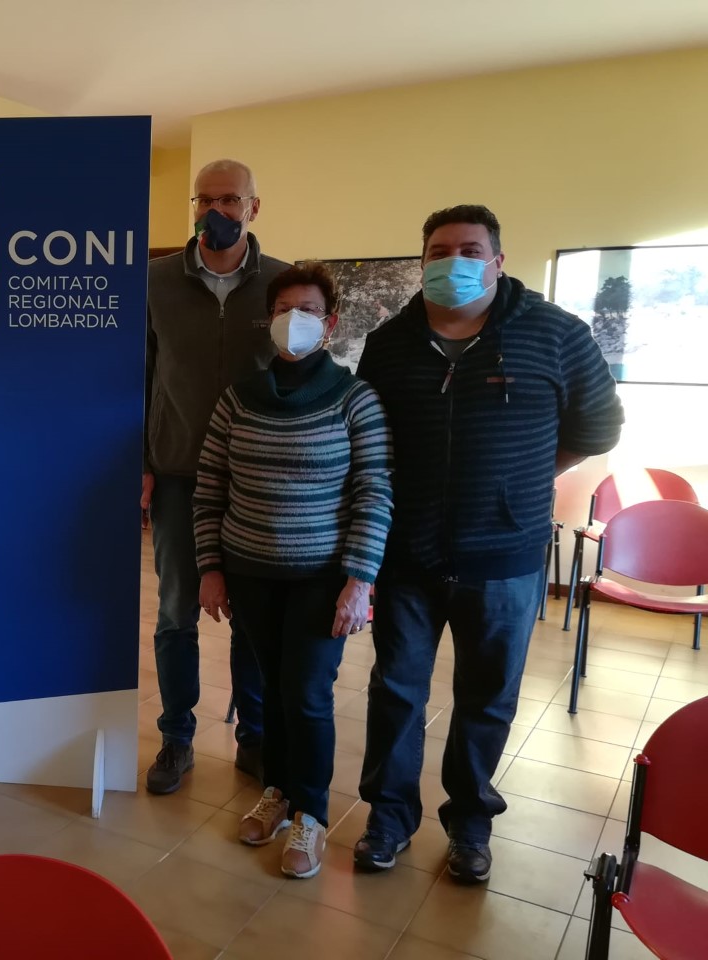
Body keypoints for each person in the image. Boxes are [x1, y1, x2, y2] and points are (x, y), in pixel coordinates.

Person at [354, 205, 624, 882]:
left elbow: (599, 425)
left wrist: (525, 477)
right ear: (423, 261)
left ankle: (470, 825)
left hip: (505, 556)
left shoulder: (556, 334)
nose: (454, 261)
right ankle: (388, 818)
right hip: (408, 553)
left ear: (499, 262)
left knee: (487, 698)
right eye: (439, 251)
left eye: (470, 250)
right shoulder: (389, 343)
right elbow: (369, 436)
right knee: (396, 693)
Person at [194, 263, 392, 878]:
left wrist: (360, 579)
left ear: (329, 324)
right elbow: (210, 486)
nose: (293, 320)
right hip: (250, 572)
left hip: (321, 579)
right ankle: (277, 792)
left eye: (306, 310)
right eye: (283, 309)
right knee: (269, 689)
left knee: (305, 695)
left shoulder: (355, 400)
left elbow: (374, 491)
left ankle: (311, 814)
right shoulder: (239, 398)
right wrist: (210, 567)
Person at [142, 159, 290, 795]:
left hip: (256, 479)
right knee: (176, 611)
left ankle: (253, 738)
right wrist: (142, 461)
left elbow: (300, 376)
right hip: (178, 473)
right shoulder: (155, 282)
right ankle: (177, 737)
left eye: (229, 200)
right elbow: (138, 375)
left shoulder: (282, 283)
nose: (216, 212)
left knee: (251, 615)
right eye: (204, 199)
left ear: (253, 207)